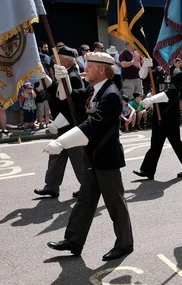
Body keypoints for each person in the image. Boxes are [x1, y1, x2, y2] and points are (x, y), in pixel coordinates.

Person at [45, 51, 133, 261]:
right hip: (92, 157)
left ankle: (125, 244)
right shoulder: (93, 90)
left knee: (115, 204)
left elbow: (94, 125)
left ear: (101, 70)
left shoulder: (110, 94)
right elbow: (69, 98)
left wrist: (62, 141)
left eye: (90, 65)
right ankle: (74, 241)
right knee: (84, 201)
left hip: (106, 158)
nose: (86, 68)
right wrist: (61, 79)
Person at [34, 45, 87, 199]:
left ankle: (87, 187)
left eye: (58, 59)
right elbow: (53, 90)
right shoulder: (63, 74)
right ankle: (51, 186)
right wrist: (42, 75)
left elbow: (72, 104)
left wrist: (57, 123)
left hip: (71, 126)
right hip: (62, 124)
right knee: (55, 155)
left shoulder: (73, 77)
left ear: (66, 61)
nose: (55, 61)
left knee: (78, 160)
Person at [133, 61, 182, 180]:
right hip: (158, 114)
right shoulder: (158, 71)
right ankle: (148, 170)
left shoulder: (177, 73)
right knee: (155, 144)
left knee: (176, 143)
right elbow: (142, 76)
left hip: (170, 115)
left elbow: (171, 93)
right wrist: (145, 65)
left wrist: (152, 99)